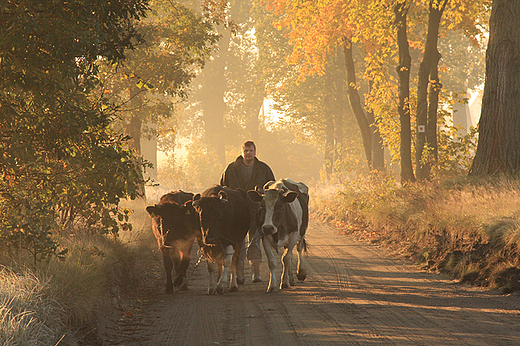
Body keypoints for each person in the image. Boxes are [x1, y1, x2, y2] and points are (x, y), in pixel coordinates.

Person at [220, 140, 275, 284]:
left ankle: (255, 273)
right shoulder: (231, 169)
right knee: (238, 244)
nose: (248, 153)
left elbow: (271, 190)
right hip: (236, 213)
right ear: (241, 152)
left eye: (250, 151)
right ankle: (239, 275)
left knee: (255, 242)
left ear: (255, 152)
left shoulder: (264, 169)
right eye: (245, 151)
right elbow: (223, 189)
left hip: (256, 211)